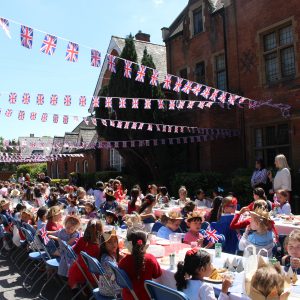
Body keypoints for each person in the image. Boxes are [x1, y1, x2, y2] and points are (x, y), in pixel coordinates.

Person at [119, 230, 162, 300]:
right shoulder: (151, 258)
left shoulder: (124, 261)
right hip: (146, 297)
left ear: (130, 244)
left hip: (128, 296)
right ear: (145, 244)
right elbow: (157, 274)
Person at [68, 219, 103, 295]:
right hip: (90, 274)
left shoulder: (82, 240)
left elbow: (75, 251)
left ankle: (78, 293)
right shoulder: (98, 247)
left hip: (76, 269)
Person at [98, 229, 122, 298]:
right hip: (109, 290)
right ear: (103, 245)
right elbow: (116, 277)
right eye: (109, 242)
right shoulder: (107, 260)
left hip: (104, 287)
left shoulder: (105, 255)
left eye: (115, 241)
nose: (113, 244)